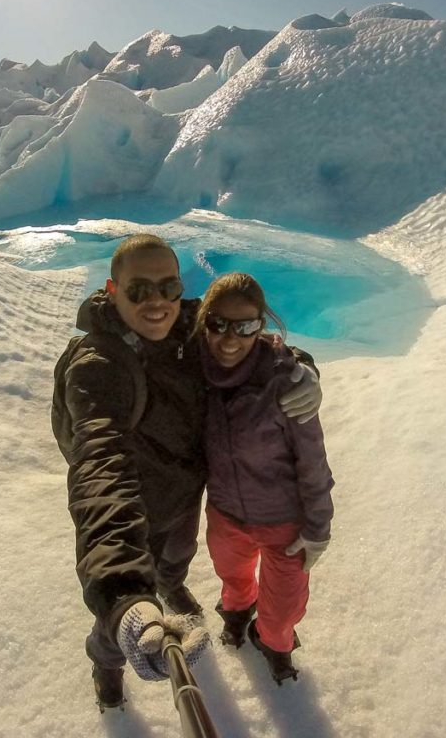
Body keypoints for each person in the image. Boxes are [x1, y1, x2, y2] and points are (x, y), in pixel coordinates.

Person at [52, 234, 323, 711]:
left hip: (185, 500)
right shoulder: (99, 367)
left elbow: (245, 340)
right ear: (113, 292)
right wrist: (123, 594)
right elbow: (100, 466)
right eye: (139, 290)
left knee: (175, 561)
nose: (156, 301)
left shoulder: (185, 329)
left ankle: (170, 583)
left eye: (168, 287)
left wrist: (302, 367)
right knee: (128, 614)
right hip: (131, 515)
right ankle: (107, 664)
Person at [197, 272, 335, 685]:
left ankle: (273, 640)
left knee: (283, 608)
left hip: (283, 523)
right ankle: (237, 612)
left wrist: (318, 528)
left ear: (261, 326)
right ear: (205, 320)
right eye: (219, 324)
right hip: (225, 514)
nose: (229, 338)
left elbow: (312, 460)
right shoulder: (192, 370)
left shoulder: (285, 381)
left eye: (245, 326)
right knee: (234, 579)